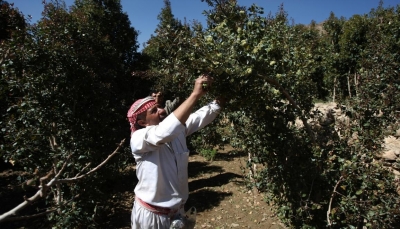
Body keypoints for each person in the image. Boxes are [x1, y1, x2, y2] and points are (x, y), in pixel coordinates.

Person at [127, 74, 223, 229]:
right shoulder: (138, 139)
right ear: (142, 122)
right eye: (153, 111)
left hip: (177, 212)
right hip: (152, 217)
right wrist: (195, 94)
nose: (160, 110)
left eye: (158, 107)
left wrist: (219, 102)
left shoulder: (176, 131)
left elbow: (197, 118)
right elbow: (163, 133)